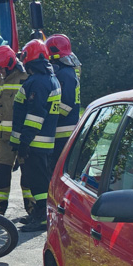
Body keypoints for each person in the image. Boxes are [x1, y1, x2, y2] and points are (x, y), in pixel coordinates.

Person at [11, 39, 61, 232]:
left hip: (35, 143)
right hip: (40, 142)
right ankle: (39, 213)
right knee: (35, 180)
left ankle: (43, 216)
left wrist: (24, 142)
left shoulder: (39, 82)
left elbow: (34, 116)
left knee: (39, 182)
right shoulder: (47, 78)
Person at [0, 45, 35, 218]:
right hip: (4, 139)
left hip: (23, 138)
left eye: (0, 68)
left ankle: (32, 210)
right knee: (1, 175)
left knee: (28, 176)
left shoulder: (27, 78)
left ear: (11, 64)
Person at [46, 34, 81, 167]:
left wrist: (48, 116)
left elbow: (65, 105)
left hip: (63, 133)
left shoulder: (64, 74)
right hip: (65, 131)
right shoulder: (67, 72)